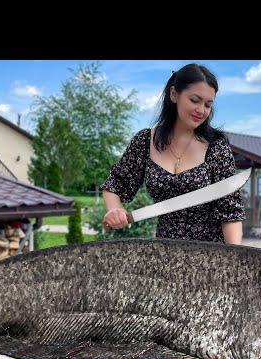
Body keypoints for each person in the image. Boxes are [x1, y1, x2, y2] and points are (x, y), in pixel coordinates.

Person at [100, 63, 246, 245]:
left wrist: (233, 260)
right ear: (174, 94)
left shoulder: (216, 147)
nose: (201, 110)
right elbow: (115, 184)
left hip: (211, 257)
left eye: (208, 105)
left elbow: (231, 213)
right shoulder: (145, 141)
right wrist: (114, 210)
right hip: (165, 254)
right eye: (194, 100)